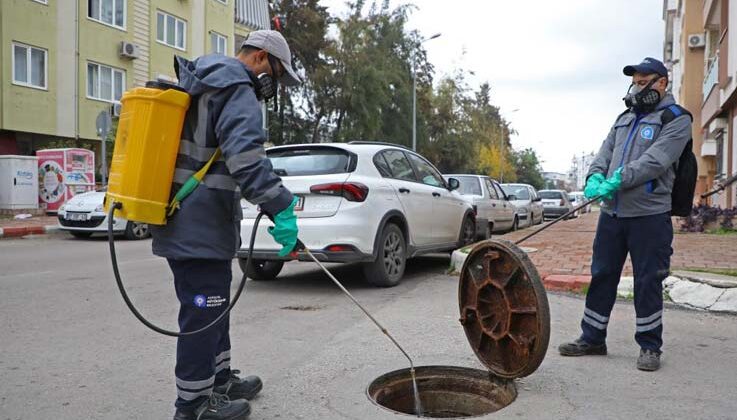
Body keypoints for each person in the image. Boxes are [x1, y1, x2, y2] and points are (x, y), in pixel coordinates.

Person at [150, 30, 302, 420]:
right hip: (197, 223)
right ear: (261, 58)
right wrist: (281, 207)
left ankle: (219, 382)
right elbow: (247, 160)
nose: (275, 87)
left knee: (214, 304)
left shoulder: (208, 82)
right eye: (278, 75)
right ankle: (194, 405)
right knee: (204, 310)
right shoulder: (237, 88)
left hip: (195, 220)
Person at [558, 57, 691, 372]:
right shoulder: (624, 118)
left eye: (645, 80)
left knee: (648, 280)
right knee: (602, 274)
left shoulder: (676, 119)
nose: (638, 85)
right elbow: (604, 152)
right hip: (612, 214)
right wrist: (594, 177)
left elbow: (657, 161)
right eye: (635, 80)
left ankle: (649, 346)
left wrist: (619, 178)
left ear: (662, 83)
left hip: (649, 215)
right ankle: (592, 337)